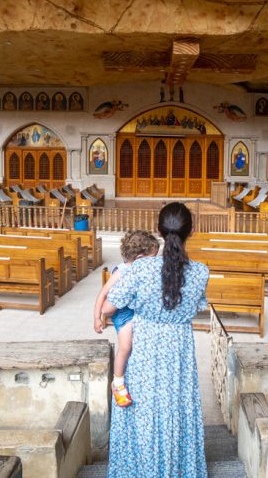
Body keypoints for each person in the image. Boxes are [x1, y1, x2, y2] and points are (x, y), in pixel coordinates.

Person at [102, 202, 209, 477]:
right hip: (179, 351)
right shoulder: (200, 272)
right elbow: (196, 305)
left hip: (146, 347)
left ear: (157, 231)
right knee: (177, 408)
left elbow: (110, 306)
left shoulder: (141, 269)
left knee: (143, 410)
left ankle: (140, 469)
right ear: (192, 232)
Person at [93, 229, 159, 407]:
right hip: (123, 314)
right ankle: (118, 383)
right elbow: (102, 294)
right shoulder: (122, 271)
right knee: (126, 346)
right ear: (139, 259)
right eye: (153, 258)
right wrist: (97, 318)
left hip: (134, 310)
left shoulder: (143, 271)